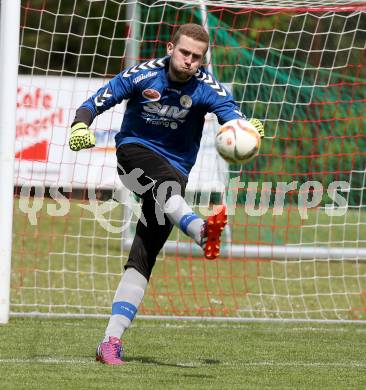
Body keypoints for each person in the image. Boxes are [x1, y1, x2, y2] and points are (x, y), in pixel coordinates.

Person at [69, 23, 264, 365]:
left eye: (197, 57)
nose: (189, 60)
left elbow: (232, 117)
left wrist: (245, 130)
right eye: (185, 52)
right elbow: (94, 103)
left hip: (175, 176)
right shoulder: (143, 76)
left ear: (203, 60)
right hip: (133, 155)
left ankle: (110, 342)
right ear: (171, 47)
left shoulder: (207, 87)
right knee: (164, 187)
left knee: (143, 256)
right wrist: (80, 126)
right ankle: (200, 232)